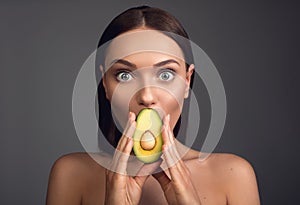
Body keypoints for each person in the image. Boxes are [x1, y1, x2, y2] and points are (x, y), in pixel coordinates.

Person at [46, 6, 260, 205]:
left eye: (165, 74)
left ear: (187, 81)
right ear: (106, 85)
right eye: (124, 75)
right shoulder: (71, 174)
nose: (147, 96)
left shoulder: (234, 175)